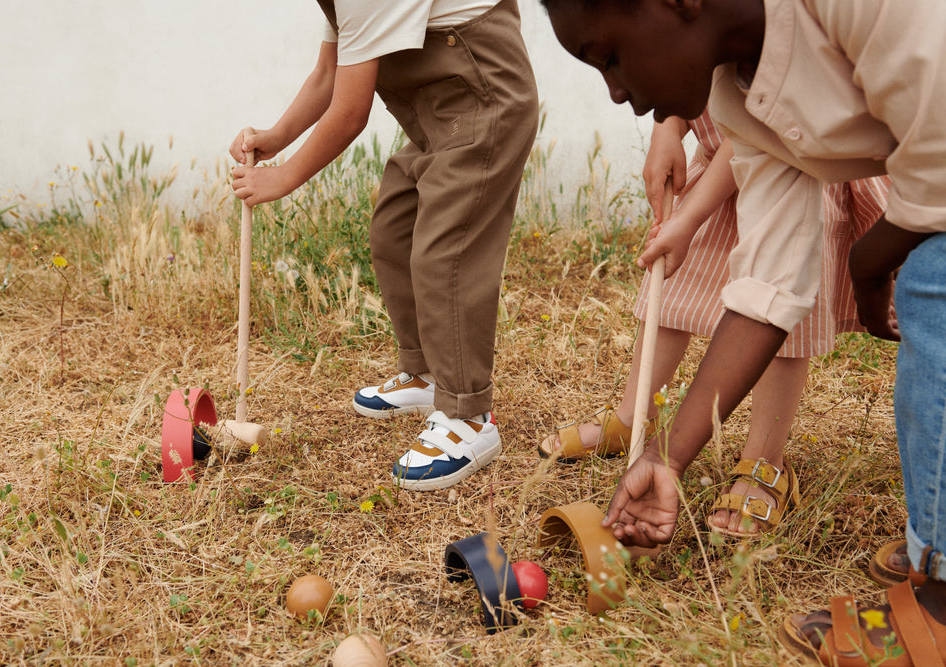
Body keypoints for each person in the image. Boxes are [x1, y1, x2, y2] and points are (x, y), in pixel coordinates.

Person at [539, 0, 946, 662]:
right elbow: (768, 289)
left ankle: (942, 608)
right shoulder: (741, 98)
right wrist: (664, 458)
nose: (615, 92)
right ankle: (939, 539)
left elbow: (940, 170)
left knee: (935, 281)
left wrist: (869, 269)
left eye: (610, 57)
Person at [230, 0, 538, 491]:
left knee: (445, 253)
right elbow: (327, 74)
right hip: (439, 119)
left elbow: (351, 112)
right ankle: (426, 374)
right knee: (394, 231)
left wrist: (283, 177)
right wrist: (278, 136)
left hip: (483, 104)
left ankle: (469, 416)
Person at [539, 109, 889, 537]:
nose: (619, 96)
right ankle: (633, 419)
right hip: (719, 164)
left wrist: (689, 217)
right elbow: (683, 74)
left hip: (789, 170)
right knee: (674, 283)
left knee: (777, 313)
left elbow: (753, 133)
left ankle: (765, 460)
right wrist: (667, 127)